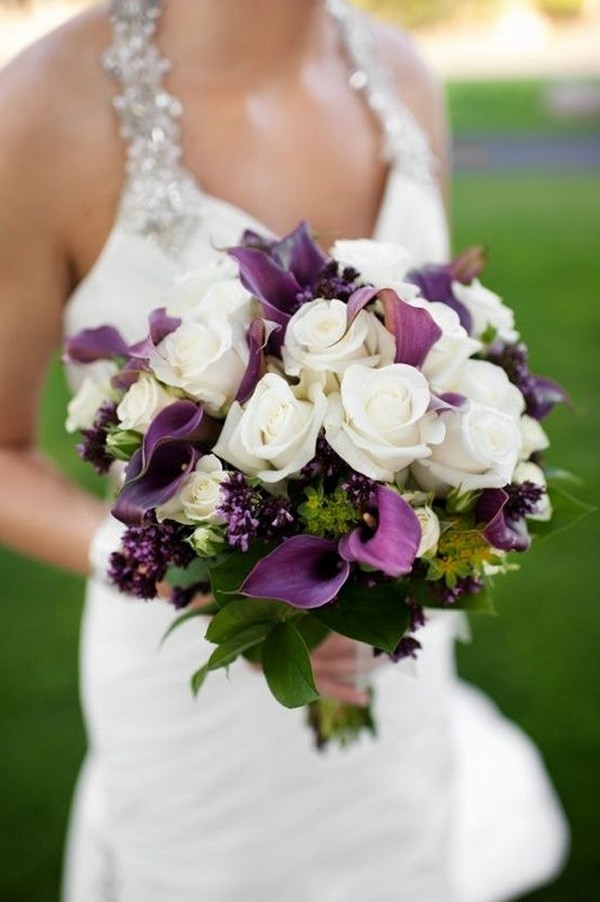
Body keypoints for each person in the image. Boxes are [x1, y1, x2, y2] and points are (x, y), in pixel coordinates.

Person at [0, 1, 569, 900]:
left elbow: (442, 350)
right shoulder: (40, 111)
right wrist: (161, 564)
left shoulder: (404, 78)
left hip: (395, 668)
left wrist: (435, 516)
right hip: (191, 677)